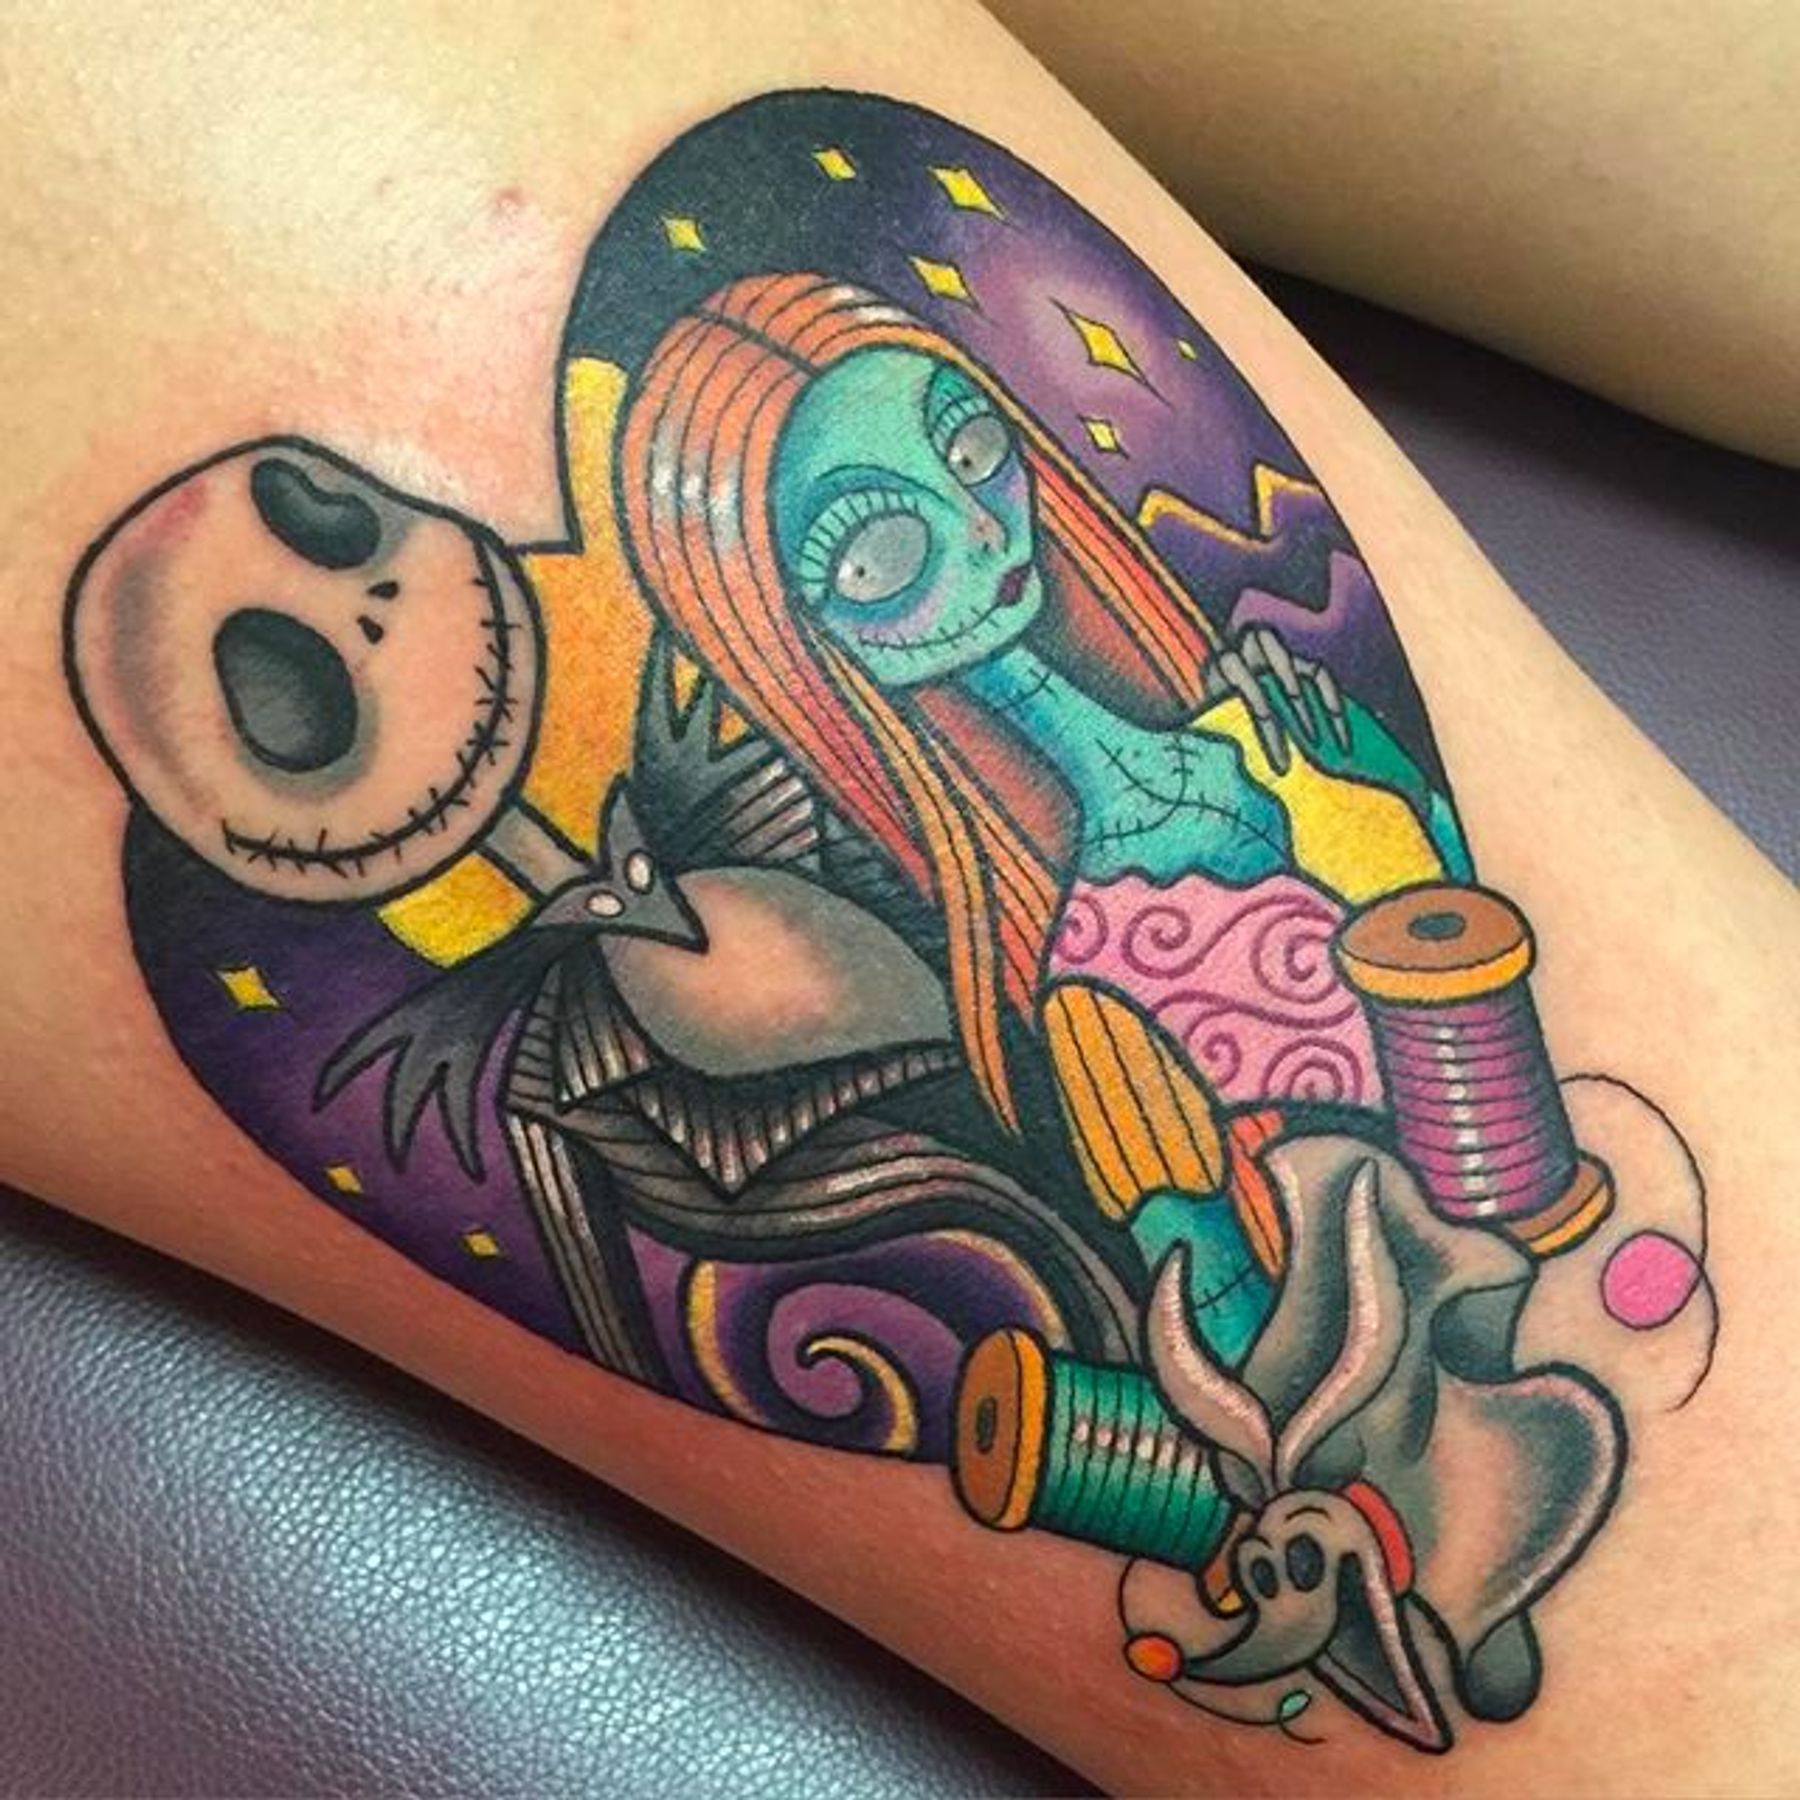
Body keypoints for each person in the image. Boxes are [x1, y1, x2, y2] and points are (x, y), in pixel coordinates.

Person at [3, 5, 1796, 1792]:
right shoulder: (1041, 974)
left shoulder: (1239, 762)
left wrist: (1360, 835)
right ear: (786, 627)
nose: (986, 530)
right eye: (875, 546)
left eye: (977, 450)